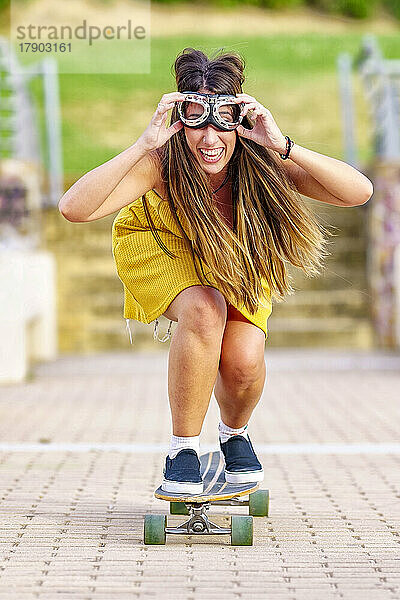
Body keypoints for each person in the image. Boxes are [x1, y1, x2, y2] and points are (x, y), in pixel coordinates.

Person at [59, 48, 373, 495]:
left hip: (234, 257)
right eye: (196, 119)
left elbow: (359, 192)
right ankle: (181, 449)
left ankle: (234, 435)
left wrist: (281, 144)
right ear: (180, 118)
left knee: (244, 361)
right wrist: (143, 145)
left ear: (240, 118)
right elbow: (74, 209)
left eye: (222, 119)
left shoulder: (260, 158)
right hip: (160, 245)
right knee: (204, 309)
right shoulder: (161, 162)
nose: (209, 138)